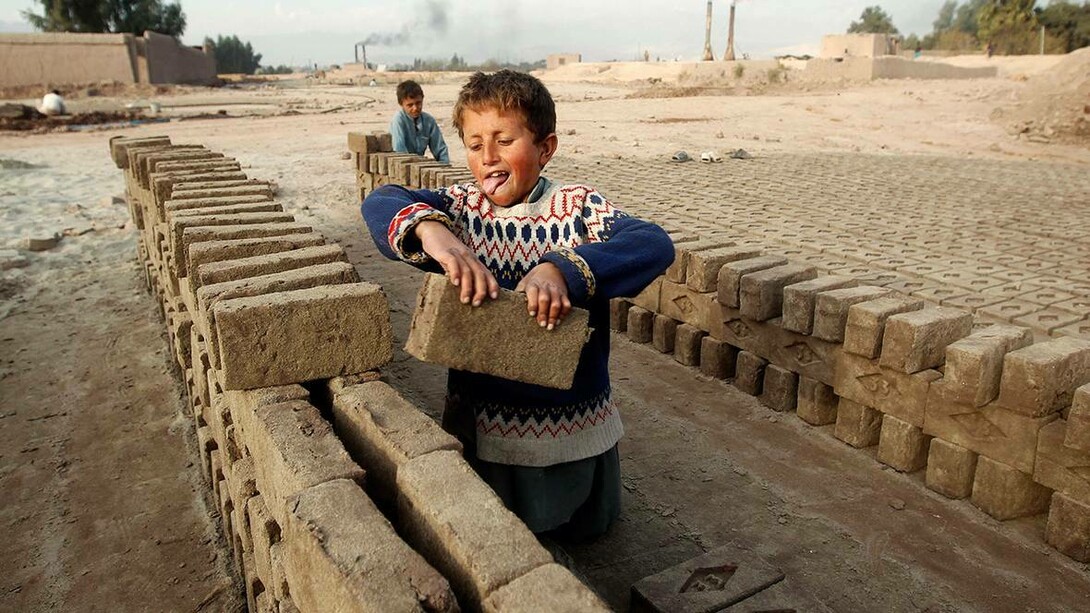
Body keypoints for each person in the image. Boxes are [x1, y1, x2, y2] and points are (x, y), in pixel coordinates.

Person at [362, 70, 673, 540]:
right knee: (497, 528)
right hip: (484, 417)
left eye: (505, 140)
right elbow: (382, 200)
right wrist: (434, 233)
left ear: (545, 148)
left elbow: (651, 243)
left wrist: (561, 269)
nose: (488, 157)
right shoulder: (461, 209)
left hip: (570, 413)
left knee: (581, 533)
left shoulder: (576, 207)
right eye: (473, 144)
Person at [390, 79, 449, 163]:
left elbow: (441, 150)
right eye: (410, 105)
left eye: (418, 103)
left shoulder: (429, 121)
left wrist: (445, 167)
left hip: (419, 166)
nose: (415, 108)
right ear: (401, 104)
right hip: (403, 167)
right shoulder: (398, 120)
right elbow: (399, 151)